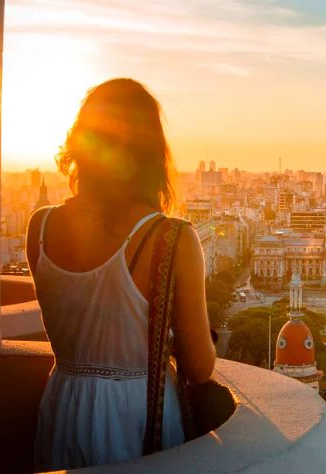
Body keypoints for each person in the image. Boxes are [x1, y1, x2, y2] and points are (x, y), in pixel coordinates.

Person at [27, 78, 216, 471]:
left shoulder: (39, 228)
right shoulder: (172, 238)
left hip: (63, 404)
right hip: (138, 415)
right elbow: (199, 368)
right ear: (151, 153)